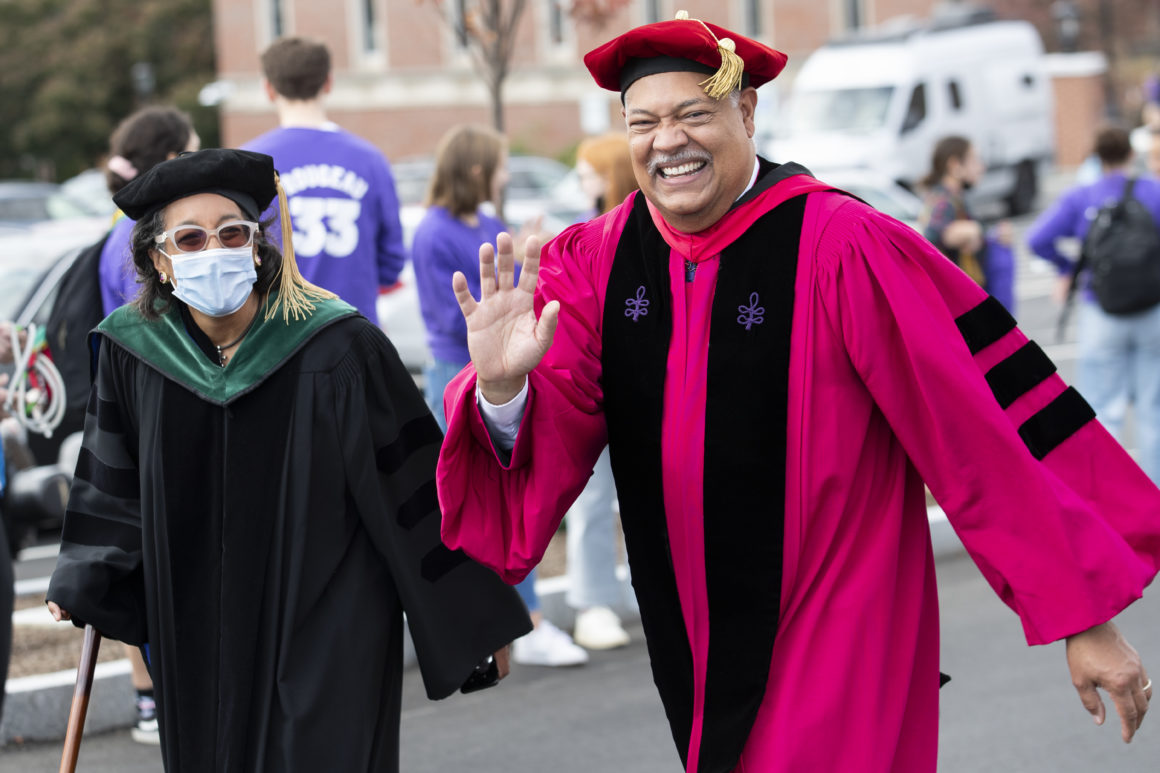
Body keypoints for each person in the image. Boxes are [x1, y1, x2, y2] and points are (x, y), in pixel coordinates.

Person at [434, 13, 1159, 773]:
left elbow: (972, 432)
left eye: (693, 114)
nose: (667, 141)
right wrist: (501, 388)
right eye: (643, 122)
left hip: (837, 624)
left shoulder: (841, 245)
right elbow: (549, 431)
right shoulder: (600, 262)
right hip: (691, 643)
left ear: (746, 112)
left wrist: (1081, 614)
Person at [45, 148, 530, 772]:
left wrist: (471, 615)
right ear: (159, 261)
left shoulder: (338, 346)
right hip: (194, 628)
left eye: (231, 233)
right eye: (189, 239)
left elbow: (411, 485)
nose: (213, 249)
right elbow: (110, 480)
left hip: (328, 619)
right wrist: (85, 570)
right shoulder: (132, 353)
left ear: (256, 246)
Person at [413, 124, 586, 668]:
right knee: (474, 497)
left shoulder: (488, 225)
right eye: (501, 163)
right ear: (475, 170)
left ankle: (521, 620)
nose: (507, 174)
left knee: (511, 491)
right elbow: (450, 315)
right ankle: (507, 624)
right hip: (457, 373)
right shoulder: (433, 232)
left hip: (496, 374)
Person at [93, 104, 200, 745]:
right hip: (150, 415)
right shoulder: (137, 238)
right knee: (150, 568)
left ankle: (152, 700)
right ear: (167, 159)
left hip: (145, 412)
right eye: (190, 151)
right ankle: (155, 699)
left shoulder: (124, 229)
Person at [1027, 125, 1160, 484]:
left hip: (1101, 308)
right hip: (1152, 309)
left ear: (1097, 158)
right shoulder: (1153, 190)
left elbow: (1037, 239)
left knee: (1103, 407)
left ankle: (1112, 493)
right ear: (1131, 154)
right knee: (1154, 409)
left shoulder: (1081, 196)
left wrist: (1070, 268)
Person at [243, 35, 406, 323]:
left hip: (277, 332)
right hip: (354, 328)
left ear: (269, 89)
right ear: (328, 83)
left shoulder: (248, 162)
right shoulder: (370, 160)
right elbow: (391, 262)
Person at [565, 133, 639, 650]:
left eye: (588, 173)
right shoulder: (584, 236)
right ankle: (592, 604)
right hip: (592, 387)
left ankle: (649, 594)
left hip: (647, 387)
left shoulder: (647, 231)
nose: (581, 182)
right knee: (591, 498)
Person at [100, 107, 201, 316]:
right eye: (195, 152)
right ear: (173, 161)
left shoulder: (127, 225)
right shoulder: (142, 233)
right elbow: (152, 321)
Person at [920, 135, 1015, 312]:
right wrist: (975, 231)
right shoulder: (943, 199)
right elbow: (933, 233)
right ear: (955, 165)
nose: (981, 167)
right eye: (974, 160)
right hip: (960, 304)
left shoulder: (952, 197)